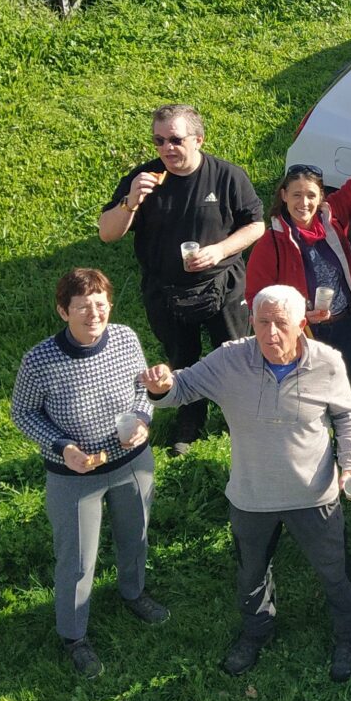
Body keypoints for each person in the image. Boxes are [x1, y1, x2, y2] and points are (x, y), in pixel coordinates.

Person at [141, 285, 351, 682]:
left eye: (281, 323)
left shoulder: (326, 362)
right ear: (252, 321)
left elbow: (347, 414)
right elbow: (178, 390)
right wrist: (159, 385)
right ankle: (256, 631)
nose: (271, 333)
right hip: (251, 495)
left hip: (313, 494)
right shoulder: (230, 360)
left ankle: (350, 637)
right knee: (250, 575)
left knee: (335, 571)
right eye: (262, 322)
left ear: (301, 325)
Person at [10, 268, 167, 679]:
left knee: (136, 536)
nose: (94, 314)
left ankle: (133, 593)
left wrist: (142, 419)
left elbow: (142, 390)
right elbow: (22, 414)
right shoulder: (40, 359)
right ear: (64, 311)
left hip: (132, 462)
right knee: (78, 560)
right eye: (82, 307)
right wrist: (63, 447)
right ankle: (74, 635)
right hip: (73, 474)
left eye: (101, 304)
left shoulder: (126, 338)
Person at [98, 104, 264, 456]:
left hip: (222, 283)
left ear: (198, 139)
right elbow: (107, 234)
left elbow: (256, 224)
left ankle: (244, 420)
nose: (166, 149)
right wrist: (130, 203)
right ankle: (190, 421)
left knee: (234, 353)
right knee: (181, 357)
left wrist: (220, 250)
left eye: (175, 139)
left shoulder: (227, 176)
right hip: (165, 288)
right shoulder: (142, 179)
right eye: (158, 141)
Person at [246, 95, 351, 380]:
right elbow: (255, 297)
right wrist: (292, 319)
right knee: (305, 390)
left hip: (344, 324)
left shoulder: (334, 214)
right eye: (296, 195)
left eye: (311, 195)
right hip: (302, 331)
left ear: (321, 197)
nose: (304, 203)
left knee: (340, 383)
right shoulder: (271, 242)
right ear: (284, 196)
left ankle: (340, 424)